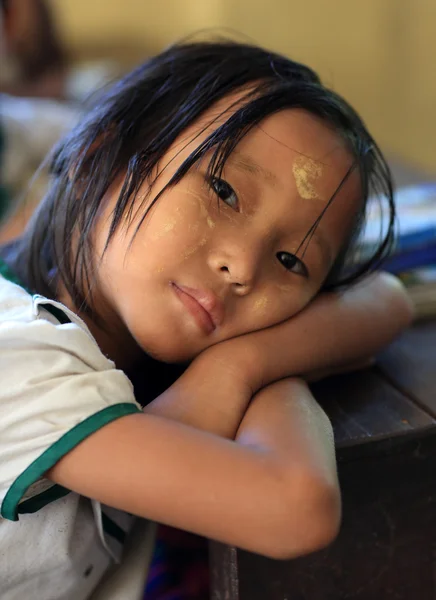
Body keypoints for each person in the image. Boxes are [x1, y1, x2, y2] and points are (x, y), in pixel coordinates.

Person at [0, 40, 413, 600]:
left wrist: (248, 358)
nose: (243, 267)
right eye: (223, 190)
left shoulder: (120, 358)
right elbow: (294, 506)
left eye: (291, 260)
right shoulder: (19, 349)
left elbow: (386, 296)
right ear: (102, 153)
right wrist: (248, 363)